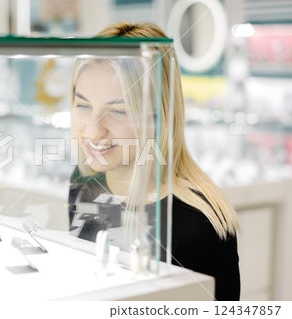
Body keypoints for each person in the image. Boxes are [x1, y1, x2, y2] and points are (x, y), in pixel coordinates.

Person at [68, 22, 240, 301]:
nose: (92, 131)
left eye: (119, 112)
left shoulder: (199, 227)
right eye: (84, 105)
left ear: (159, 116)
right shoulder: (86, 180)